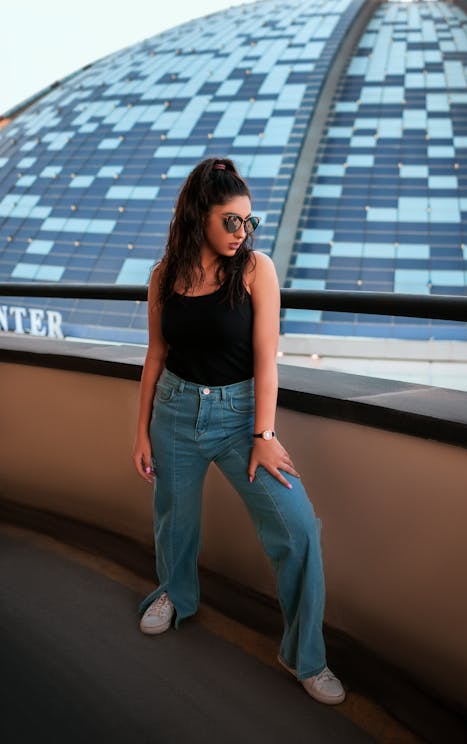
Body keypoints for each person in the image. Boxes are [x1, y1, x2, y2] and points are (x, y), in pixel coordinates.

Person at [132, 157, 345, 705]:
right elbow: (156, 355)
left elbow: (266, 358)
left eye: (248, 221)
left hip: (240, 419)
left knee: (297, 530)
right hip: (175, 413)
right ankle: (174, 594)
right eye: (230, 220)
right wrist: (140, 432)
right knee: (173, 522)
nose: (241, 232)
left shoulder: (256, 269)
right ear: (198, 216)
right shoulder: (164, 276)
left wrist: (264, 434)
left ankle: (306, 657)